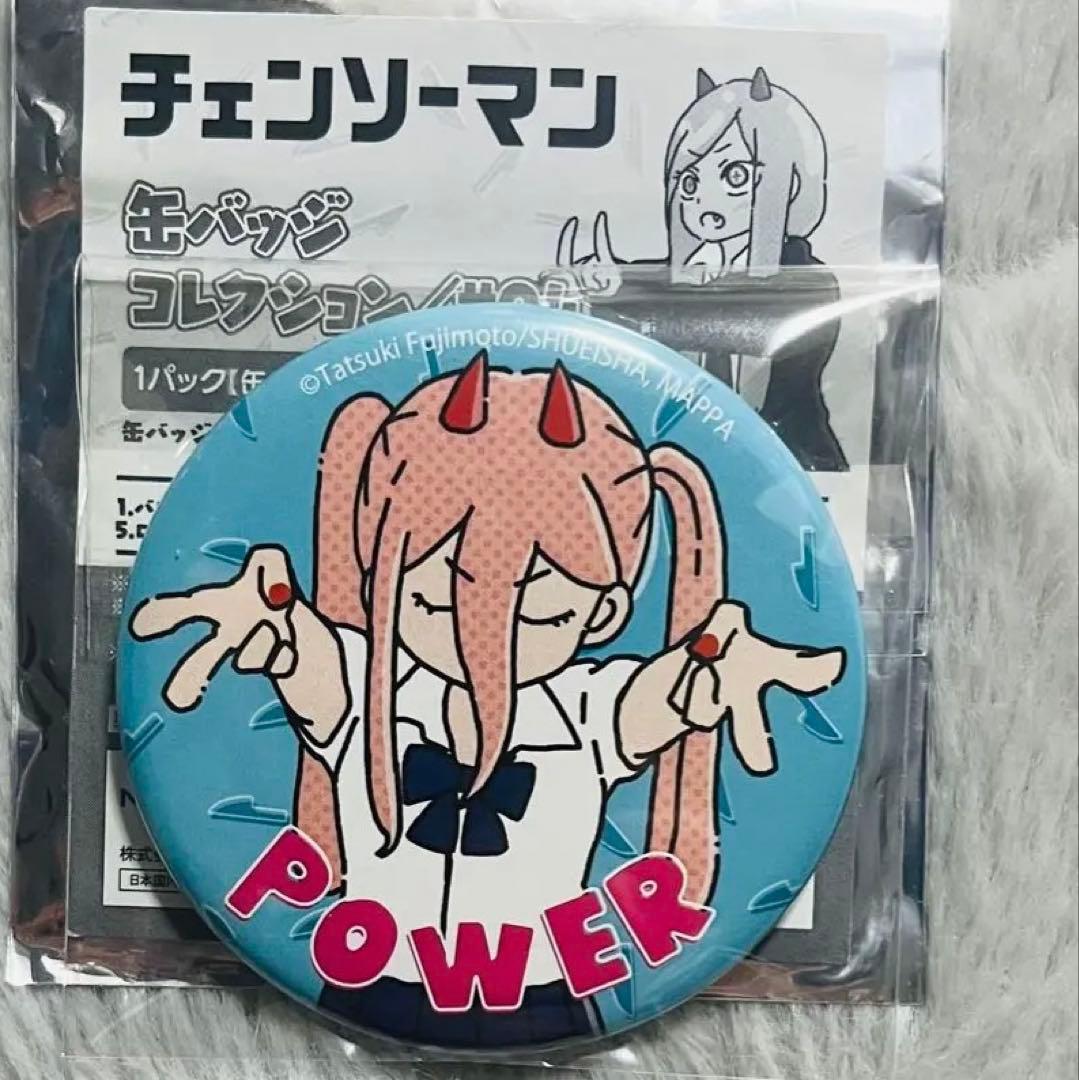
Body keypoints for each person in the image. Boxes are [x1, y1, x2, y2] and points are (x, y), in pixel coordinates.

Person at [130, 352, 846, 1047]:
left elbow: (662, 696)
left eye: (539, 612)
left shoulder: (584, 709)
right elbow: (302, 647)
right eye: (428, 598)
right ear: (378, 572)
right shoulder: (363, 685)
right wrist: (276, 614)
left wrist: (708, 665)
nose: (480, 636)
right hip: (364, 975)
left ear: (604, 614)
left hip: (548, 989)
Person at [557, 68, 848, 471]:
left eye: (735, 175)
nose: (704, 200)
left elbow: (725, 318)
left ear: (792, 181)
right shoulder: (688, 274)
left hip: (792, 466)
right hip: (686, 462)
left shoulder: (807, 281)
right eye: (690, 182)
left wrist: (625, 291)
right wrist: (611, 286)